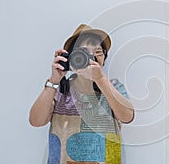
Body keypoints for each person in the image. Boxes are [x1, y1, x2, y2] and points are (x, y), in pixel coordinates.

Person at [29, 24, 134, 164]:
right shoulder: (60, 90)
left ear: (104, 59)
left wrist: (100, 79)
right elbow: (36, 121)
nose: (91, 57)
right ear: (71, 58)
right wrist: (54, 80)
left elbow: (127, 117)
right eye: (83, 52)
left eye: (98, 52)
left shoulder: (113, 87)